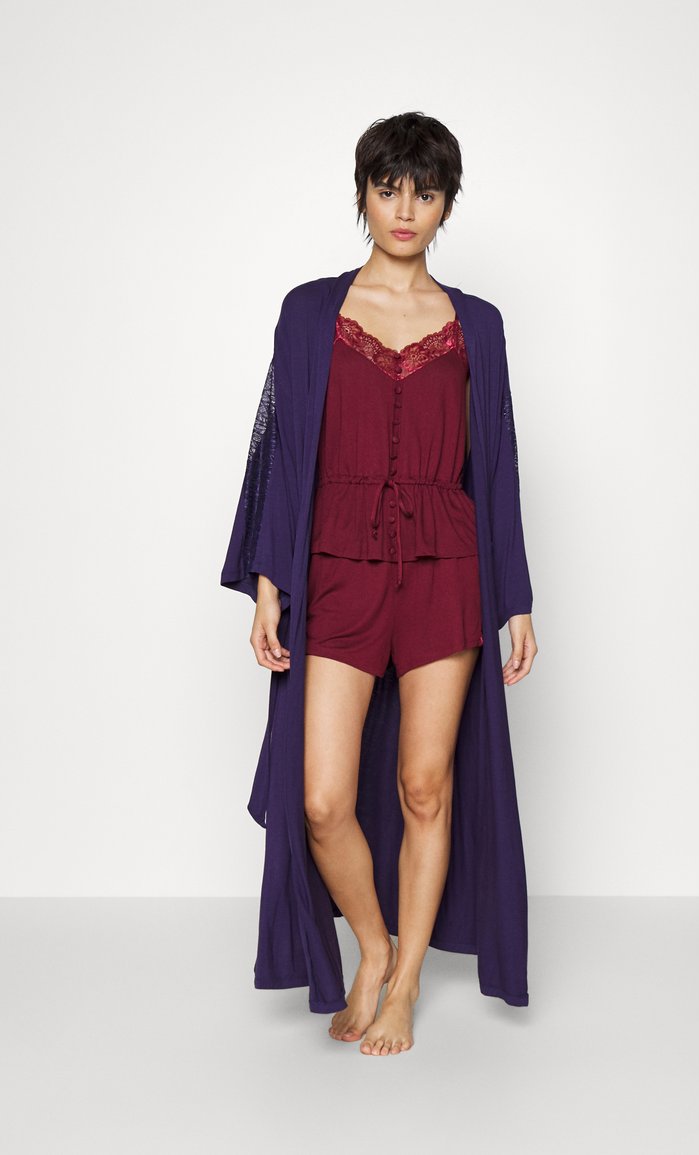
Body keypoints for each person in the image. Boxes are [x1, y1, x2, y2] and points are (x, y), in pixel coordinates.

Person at [221, 111, 538, 1057]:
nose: (405, 209)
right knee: (322, 798)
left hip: (446, 568)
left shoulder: (478, 324)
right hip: (338, 567)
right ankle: (374, 945)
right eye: (388, 188)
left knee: (424, 786)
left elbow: (499, 464)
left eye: (425, 192)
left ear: (446, 205)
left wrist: (515, 597)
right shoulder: (309, 313)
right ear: (363, 195)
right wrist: (269, 580)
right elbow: (281, 452)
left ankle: (402, 987)